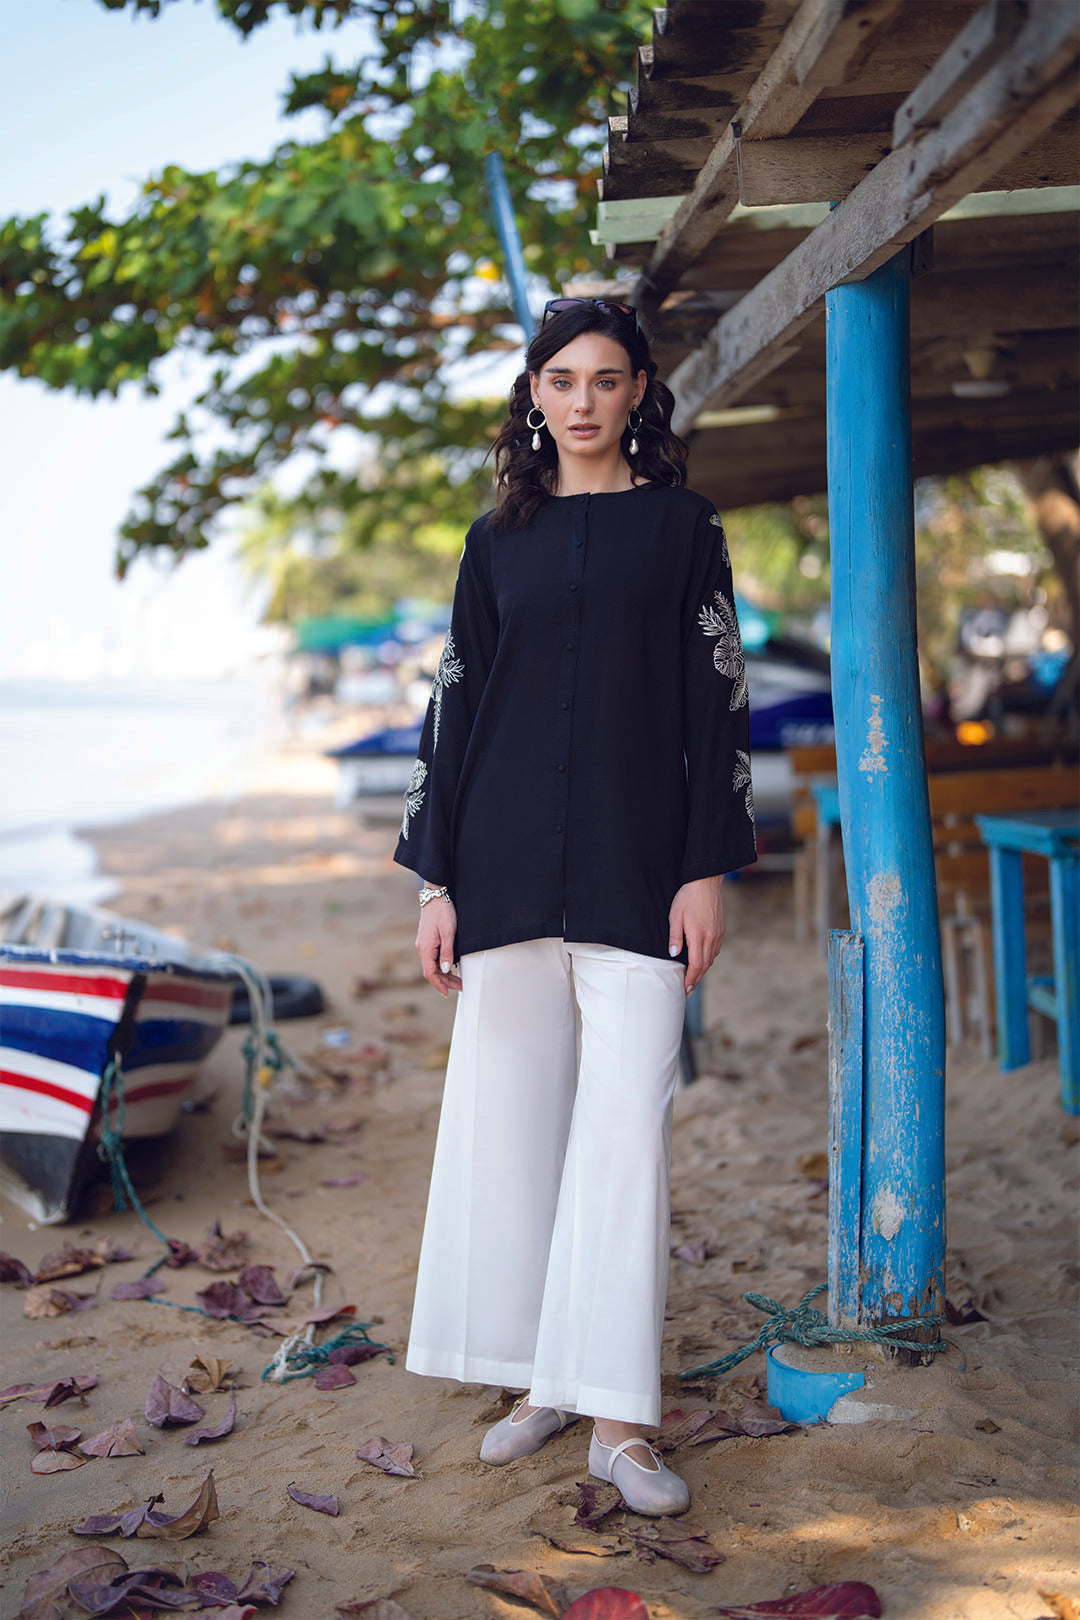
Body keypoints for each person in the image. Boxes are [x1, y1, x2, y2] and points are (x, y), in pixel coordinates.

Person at [393, 296, 756, 1515]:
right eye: (564, 378)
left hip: (640, 868)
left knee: (623, 1136)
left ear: (640, 392)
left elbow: (718, 703)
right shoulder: (497, 541)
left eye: (609, 378)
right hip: (499, 874)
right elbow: (454, 707)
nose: (586, 399)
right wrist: (437, 878)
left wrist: (705, 865)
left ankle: (622, 1424)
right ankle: (540, 1382)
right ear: (535, 395)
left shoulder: (684, 530)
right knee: (516, 1134)